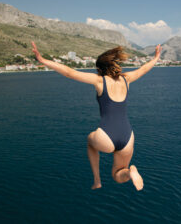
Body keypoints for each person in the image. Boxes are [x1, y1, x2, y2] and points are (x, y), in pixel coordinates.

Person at [31, 41, 162, 190]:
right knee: (118, 175)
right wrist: (156, 58)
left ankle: (97, 180)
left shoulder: (99, 81)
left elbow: (70, 72)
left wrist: (42, 60)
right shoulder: (127, 79)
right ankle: (130, 172)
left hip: (106, 135)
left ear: (100, 68)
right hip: (127, 136)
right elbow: (143, 69)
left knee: (90, 141)